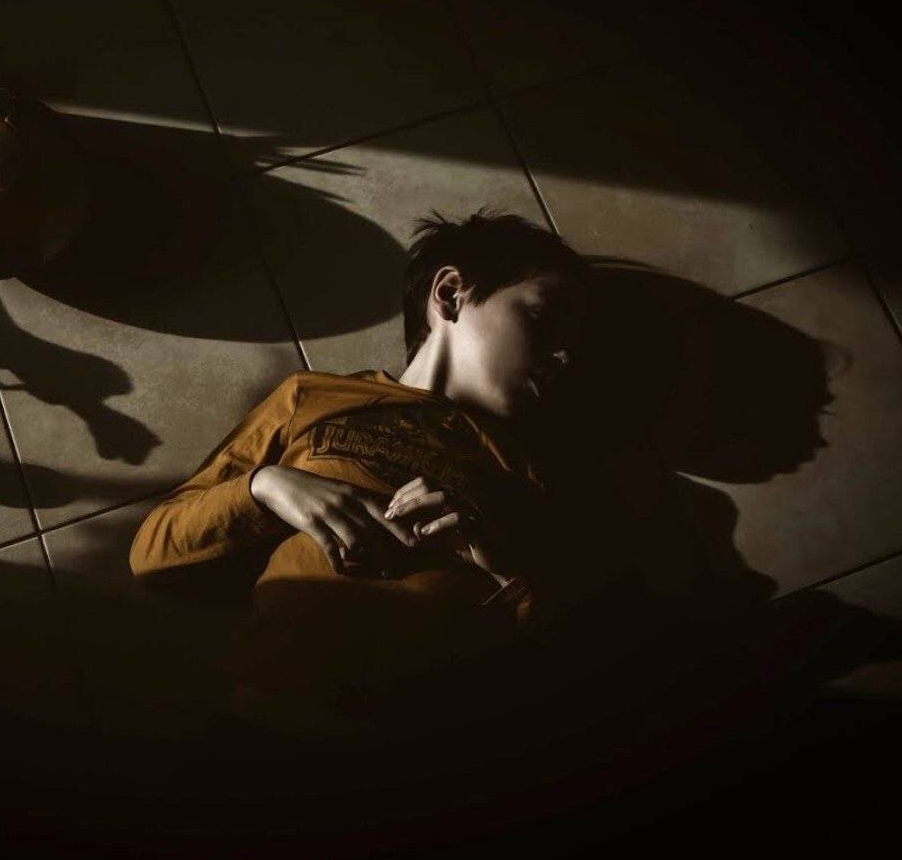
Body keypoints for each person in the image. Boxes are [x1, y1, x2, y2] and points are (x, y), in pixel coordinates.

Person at [127, 208, 594, 743]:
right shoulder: (313, 397)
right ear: (450, 293)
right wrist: (268, 486)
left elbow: (562, 660)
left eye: (573, 344)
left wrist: (502, 570)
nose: (562, 356)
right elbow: (153, 556)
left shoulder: (535, 467)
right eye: (542, 317)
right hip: (267, 729)